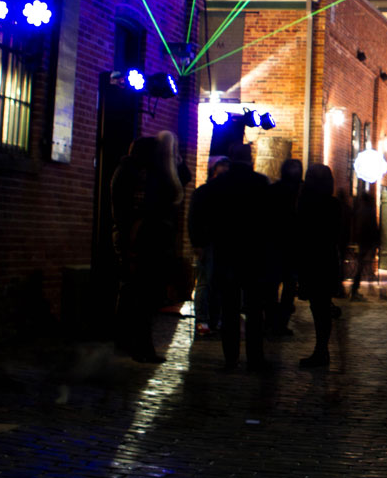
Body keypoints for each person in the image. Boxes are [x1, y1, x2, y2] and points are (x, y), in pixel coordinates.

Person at [111, 134, 184, 363]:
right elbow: (146, 209)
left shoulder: (128, 171)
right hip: (140, 241)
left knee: (133, 294)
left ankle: (126, 343)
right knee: (142, 296)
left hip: (133, 239)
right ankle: (140, 348)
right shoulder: (140, 176)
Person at [210, 143, 271, 371]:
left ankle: (231, 358)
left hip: (227, 253)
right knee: (254, 310)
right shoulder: (260, 183)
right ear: (250, 159)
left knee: (230, 309)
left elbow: (211, 218)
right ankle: (255, 358)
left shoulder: (219, 185)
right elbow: (268, 221)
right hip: (254, 254)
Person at [295, 163, 344, 368]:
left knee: (318, 306)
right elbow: (340, 234)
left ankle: (321, 351)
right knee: (322, 305)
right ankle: (321, 349)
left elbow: (298, 231)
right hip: (327, 258)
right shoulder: (333, 205)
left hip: (310, 258)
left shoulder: (304, 202)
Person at [188, 155, 229, 338]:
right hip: (208, 242)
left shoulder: (215, 192)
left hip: (219, 242)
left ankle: (213, 319)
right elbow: (194, 218)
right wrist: (197, 243)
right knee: (205, 282)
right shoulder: (204, 192)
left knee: (216, 283)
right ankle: (203, 321)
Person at [265, 158, 302, 335]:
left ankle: (271, 321)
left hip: (274, 246)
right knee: (288, 288)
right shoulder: (302, 193)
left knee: (272, 287)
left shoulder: (272, 191)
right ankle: (281, 324)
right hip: (293, 247)